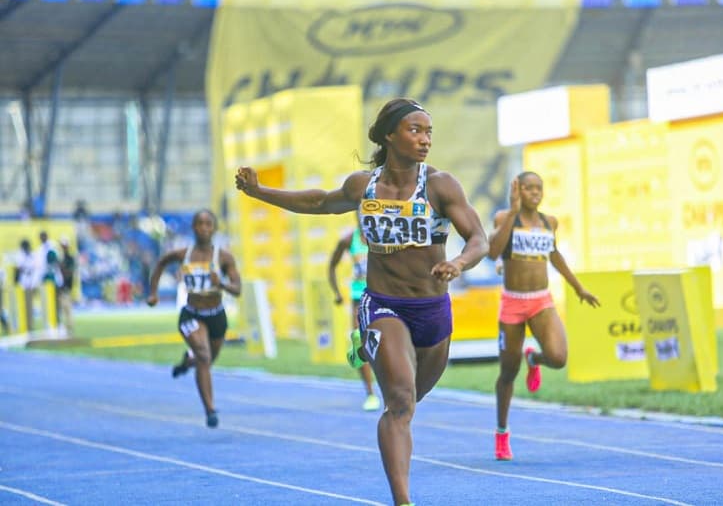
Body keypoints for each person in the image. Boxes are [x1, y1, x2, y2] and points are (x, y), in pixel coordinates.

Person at [236, 98, 488, 506]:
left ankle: (381, 374)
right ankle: (402, 500)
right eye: (414, 130)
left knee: (409, 404)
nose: (424, 140)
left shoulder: (441, 185)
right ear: (389, 135)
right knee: (399, 400)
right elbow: (319, 201)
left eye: (428, 132)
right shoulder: (363, 186)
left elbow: (479, 239)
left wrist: (458, 262)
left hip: (432, 311)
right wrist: (259, 191)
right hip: (383, 303)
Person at [488, 172, 600, 461]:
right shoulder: (504, 218)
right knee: (508, 372)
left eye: (539, 188)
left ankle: (534, 358)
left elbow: (555, 255)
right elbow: (492, 252)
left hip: (540, 300)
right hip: (513, 301)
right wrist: (513, 212)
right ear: (518, 190)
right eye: (528, 188)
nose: (534, 192)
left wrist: (579, 289)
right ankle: (502, 432)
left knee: (559, 357)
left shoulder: (549, 222)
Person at [146, 209, 242, 428]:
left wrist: (222, 284)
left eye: (208, 224)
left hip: (217, 316)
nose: (204, 228)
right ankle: (210, 410)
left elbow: (238, 289)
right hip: (191, 314)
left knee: (205, 360)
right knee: (204, 355)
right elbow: (161, 263)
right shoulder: (183, 254)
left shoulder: (224, 257)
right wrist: (153, 292)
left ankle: (186, 362)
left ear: (214, 228)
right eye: (199, 223)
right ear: (193, 228)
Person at [328, 220, 381, 412]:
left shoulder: (384, 232)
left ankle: (392, 388)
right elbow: (332, 265)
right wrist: (337, 293)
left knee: (385, 345)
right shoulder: (349, 239)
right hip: (359, 298)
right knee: (361, 342)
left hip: (383, 296)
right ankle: (370, 393)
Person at [58, 237, 77, 334]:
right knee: (61, 309)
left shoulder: (69, 258)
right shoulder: (61, 258)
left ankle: (69, 328)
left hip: (66, 287)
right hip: (60, 287)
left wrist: (62, 268)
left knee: (67, 309)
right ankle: (64, 328)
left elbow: (70, 273)